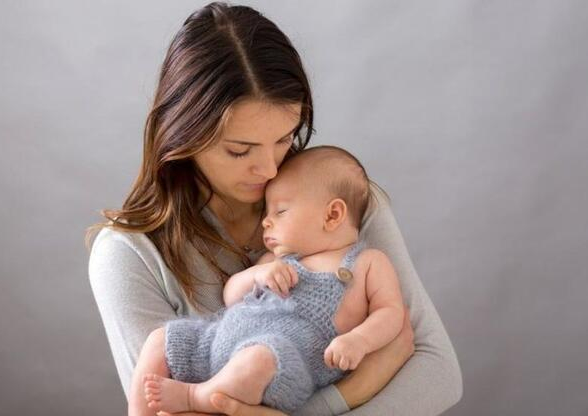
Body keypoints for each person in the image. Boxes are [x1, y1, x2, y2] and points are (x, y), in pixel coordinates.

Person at [88, 3, 462, 415]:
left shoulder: (342, 203)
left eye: (284, 138)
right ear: (183, 136)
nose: (269, 170)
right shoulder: (128, 255)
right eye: (239, 150)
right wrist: (353, 392)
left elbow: (438, 373)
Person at [129, 146, 406, 415]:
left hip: (281, 365)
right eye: (266, 212)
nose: (266, 222)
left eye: (280, 211)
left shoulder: (367, 263)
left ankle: (196, 396)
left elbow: (390, 312)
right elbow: (231, 296)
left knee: (259, 358)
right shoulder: (276, 260)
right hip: (216, 342)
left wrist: (359, 341)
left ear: (332, 215)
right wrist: (257, 275)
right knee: (162, 338)